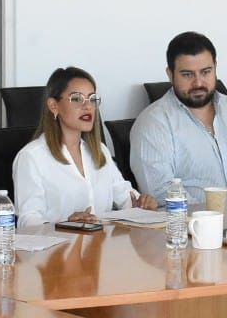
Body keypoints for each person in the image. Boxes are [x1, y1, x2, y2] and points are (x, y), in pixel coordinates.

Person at [131, 32, 227, 318]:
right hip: (192, 238)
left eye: (206, 72)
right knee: (219, 265)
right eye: (187, 74)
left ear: (216, 68)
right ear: (170, 74)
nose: (198, 83)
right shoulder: (154, 123)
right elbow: (161, 193)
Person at [13, 66, 156, 231]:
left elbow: (126, 197)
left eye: (92, 99)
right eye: (77, 98)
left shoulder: (99, 151)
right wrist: (65, 224)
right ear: (53, 106)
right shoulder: (32, 157)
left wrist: (142, 203)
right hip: (61, 246)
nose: (88, 106)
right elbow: (28, 221)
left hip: (102, 244)